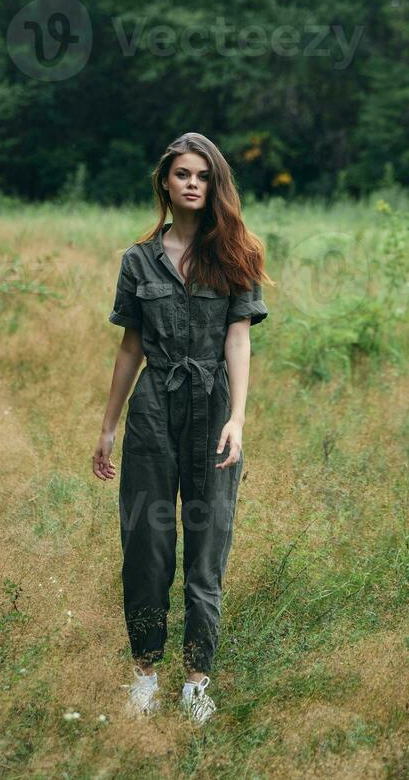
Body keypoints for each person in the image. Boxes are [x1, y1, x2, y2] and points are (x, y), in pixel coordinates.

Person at [93, 133, 271, 725]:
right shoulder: (138, 259)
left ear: (214, 184)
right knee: (146, 542)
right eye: (181, 174)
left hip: (214, 405)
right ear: (165, 183)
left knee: (208, 541)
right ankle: (144, 673)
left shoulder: (237, 252)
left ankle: (197, 680)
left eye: (202, 175)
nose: (191, 183)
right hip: (152, 407)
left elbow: (238, 337)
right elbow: (130, 345)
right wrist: (108, 427)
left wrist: (238, 419)